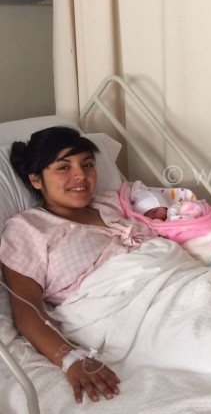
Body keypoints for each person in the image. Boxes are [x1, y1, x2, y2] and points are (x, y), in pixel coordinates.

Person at [0, 126, 147, 403]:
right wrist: (70, 358)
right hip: (131, 316)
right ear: (35, 179)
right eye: (63, 167)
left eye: (87, 164)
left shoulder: (113, 203)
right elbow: (27, 309)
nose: (80, 175)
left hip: (179, 281)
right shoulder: (28, 229)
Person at [122, 180, 211, 271]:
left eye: (155, 210)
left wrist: (179, 215)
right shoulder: (156, 226)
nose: (153, 216)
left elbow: (196, 209)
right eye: (148, 215)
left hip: (202, 229)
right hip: (188, 241)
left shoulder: (177, 208)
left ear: (163, 205)